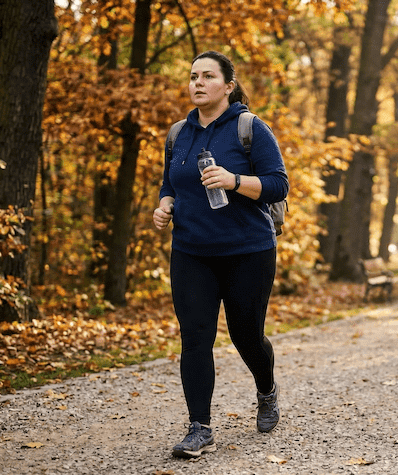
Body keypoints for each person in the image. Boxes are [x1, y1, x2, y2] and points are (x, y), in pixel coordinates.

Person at [152, 51, 289, 459]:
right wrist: (164, 204)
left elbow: (279, 185)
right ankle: (199, 427)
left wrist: (234, 180)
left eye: (207, 76)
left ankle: (266, 389)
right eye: (193, 76)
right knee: (195, 338)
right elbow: (170, 183)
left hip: (248, 250)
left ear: (227, 86)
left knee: (246, 335)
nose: (197, 83)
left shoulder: (250, 128)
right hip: (192, 251)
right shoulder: (179, 133)